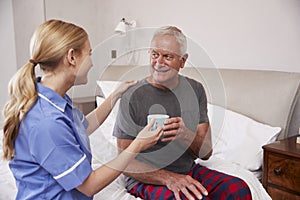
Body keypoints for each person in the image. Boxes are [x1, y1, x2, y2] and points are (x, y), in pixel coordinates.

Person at [2, 19, 163, 200]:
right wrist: (138, 144)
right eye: (89, 54)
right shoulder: (47, 121)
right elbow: (89, 185)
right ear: (72, 57)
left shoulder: (54, 99)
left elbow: (83, 127)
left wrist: (115, 94)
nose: (92, 63)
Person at [113, 26, 252, 200]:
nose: (158, 62)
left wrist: (185, 134)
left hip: (188, 170)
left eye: (168, 56)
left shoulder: (195, 90)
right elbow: (123, 161)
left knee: (239, 189)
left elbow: (206, 153)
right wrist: (168, 178)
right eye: (154, 54)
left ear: (183, 61)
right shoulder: (132, 95)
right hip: (147, 178)